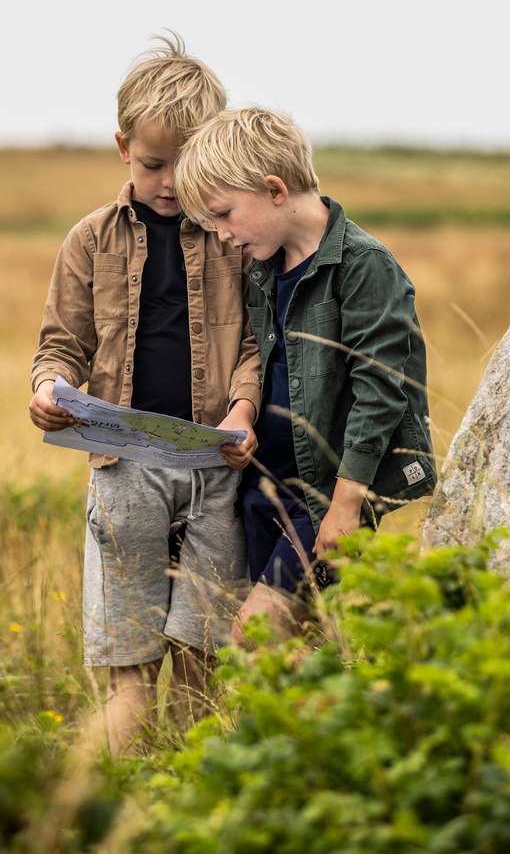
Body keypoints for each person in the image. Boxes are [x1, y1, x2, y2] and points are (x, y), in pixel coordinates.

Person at [27, 34, 259, 752]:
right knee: (132, 672)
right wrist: (46, 390)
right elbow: (59, 344)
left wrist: (244, 408)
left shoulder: (233, 240)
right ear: (123, 146)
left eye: (187, 165)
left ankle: (188, 802)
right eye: (155, 163)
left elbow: (255, 345)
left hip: (215, 473)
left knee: (201, 664)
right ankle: (107, 794)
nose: (168, 181)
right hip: (121, 472)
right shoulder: (89, 240)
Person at [174, 106, 436, 644]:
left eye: (224, 215)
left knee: (254, 637)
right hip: (266, 485)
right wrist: (242, 412)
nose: (221, 235)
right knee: (309, 643)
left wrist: (347, 504)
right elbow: (260, 358)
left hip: (326, 492)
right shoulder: (264, 270)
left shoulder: (362, 266)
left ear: (275, 189)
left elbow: (381, 390)